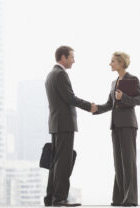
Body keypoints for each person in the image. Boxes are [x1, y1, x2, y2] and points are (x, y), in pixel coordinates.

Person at [44, 46, 98, 207]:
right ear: (63, 57)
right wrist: (90, 106)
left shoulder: (51, 74)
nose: (74, 60)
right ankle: (60, 198)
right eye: (71, 57)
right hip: (64, 124)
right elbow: (70, 98)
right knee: (63, 162)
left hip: (56, 123)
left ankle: (51, 197)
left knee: (56, 162)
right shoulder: (60, 74)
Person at [93, 52, 140, 207]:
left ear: (121, 63)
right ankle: (119, 198)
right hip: (115, 125)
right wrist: (96, 109)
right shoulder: (113, 83)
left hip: (128, 125)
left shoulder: (132, 79)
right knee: (118, 162)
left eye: (113, 61)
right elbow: (110, 104)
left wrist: (125, 98)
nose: (110, 64)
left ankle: (130, 199)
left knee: (128, 161)